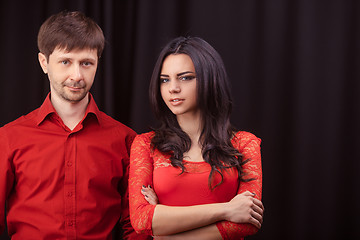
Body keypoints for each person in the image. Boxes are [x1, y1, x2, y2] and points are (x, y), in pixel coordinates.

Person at [0, 11, 144, 240]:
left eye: (86, 63)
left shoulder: (126, 140)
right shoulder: (8, 138)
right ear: (44, 63)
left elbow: (136, 227)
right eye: (65, 62)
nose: (76, 75)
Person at [129, 36, 264, 239]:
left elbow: (246, 224)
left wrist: (165, 234)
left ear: (210, 78)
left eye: (185, 77)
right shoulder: (146, 144)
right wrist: (226, 210)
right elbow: (141, 220)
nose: (173, 88)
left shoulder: (244, 144)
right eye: (165, 80)